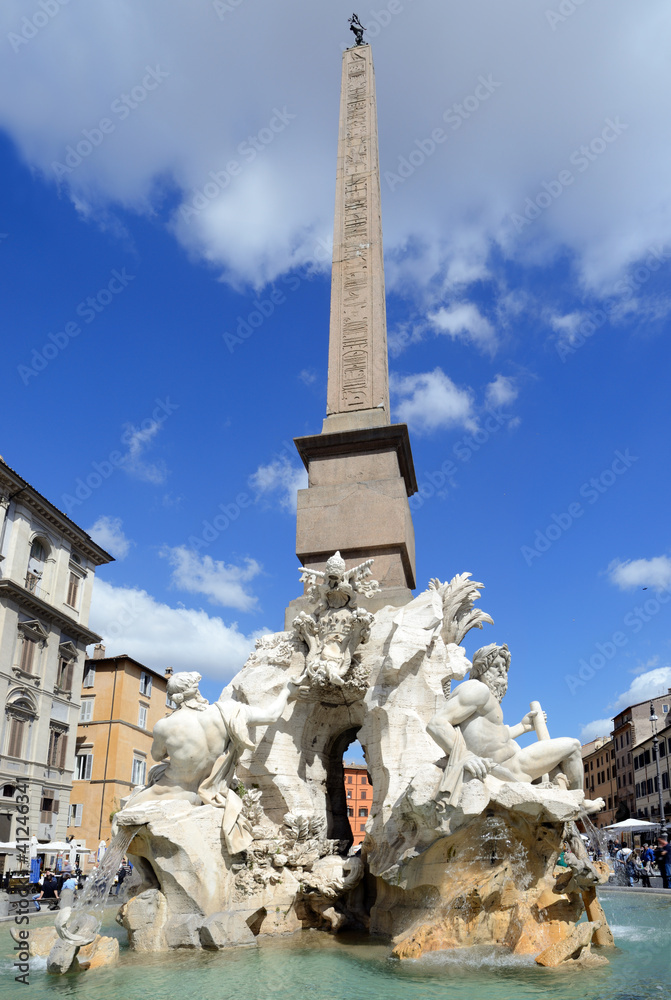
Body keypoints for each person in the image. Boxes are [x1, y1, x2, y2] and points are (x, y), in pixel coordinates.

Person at [426, 644, 605, 812]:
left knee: (565, 752)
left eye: (505, 668)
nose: (502, 672)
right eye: (496, 666)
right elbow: (437, 724)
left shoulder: (488, 701)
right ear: (482, 669)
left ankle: (574, 801)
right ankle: (579, 803)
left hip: (513, 764)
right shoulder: (477, 690)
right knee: (573, 746)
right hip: (511, 768)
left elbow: (496, 740)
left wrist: (523, 726)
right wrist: (465, 757)